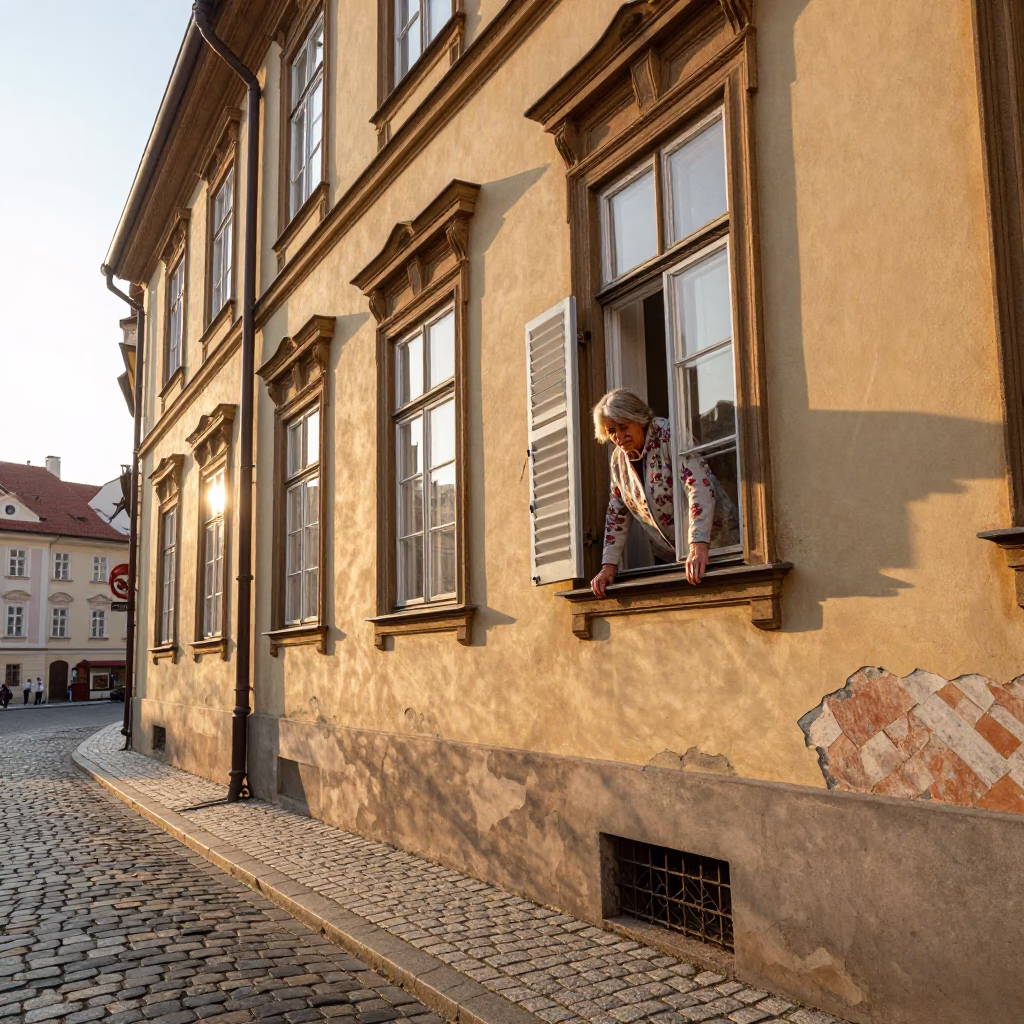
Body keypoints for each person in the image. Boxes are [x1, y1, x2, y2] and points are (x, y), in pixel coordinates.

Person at [590, 388, 739, 597]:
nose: (619, 437)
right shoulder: (618, 460)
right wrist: (608, 566)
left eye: (623, 427)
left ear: (639, 419)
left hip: (722, 544)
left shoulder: (669, 435)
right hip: (674, 557)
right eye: (612, 431)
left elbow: (699, 485)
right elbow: (617, 513)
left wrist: (698, 543)